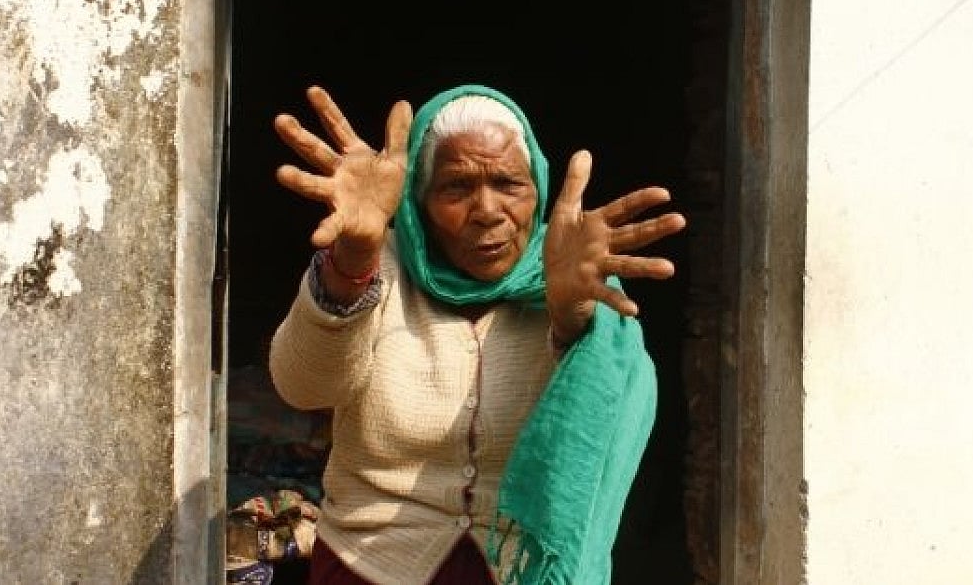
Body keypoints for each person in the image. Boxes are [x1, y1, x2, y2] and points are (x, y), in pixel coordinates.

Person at [268, 84, 686, 584]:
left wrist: (572, 320)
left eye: (508, 184)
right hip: (370, 566)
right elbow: (303, 386)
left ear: (539, 191)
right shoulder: (380, 266)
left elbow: (601, 428)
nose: (487, 210)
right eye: (456, 188)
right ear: (418, 202)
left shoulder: (575, 276)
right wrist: (351, 261)